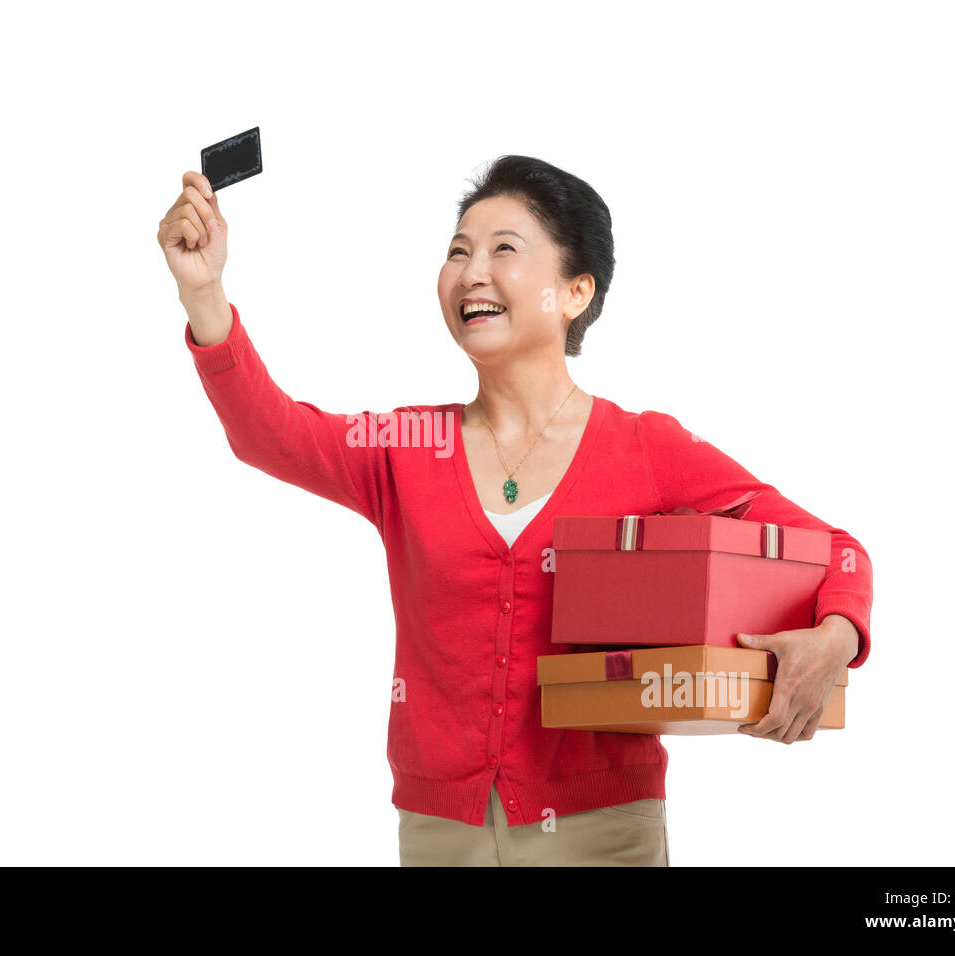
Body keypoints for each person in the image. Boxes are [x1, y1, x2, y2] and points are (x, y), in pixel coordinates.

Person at [158, 155, 873, 866]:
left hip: (602, 830)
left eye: (505, 249)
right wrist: (205, 292)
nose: (472, 272)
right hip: (441, 832)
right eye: (457, 252)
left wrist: (836, 638)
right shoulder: (406, 447)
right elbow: (269, 433)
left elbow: (834, 548)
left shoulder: (647, 448)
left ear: (574, 291)